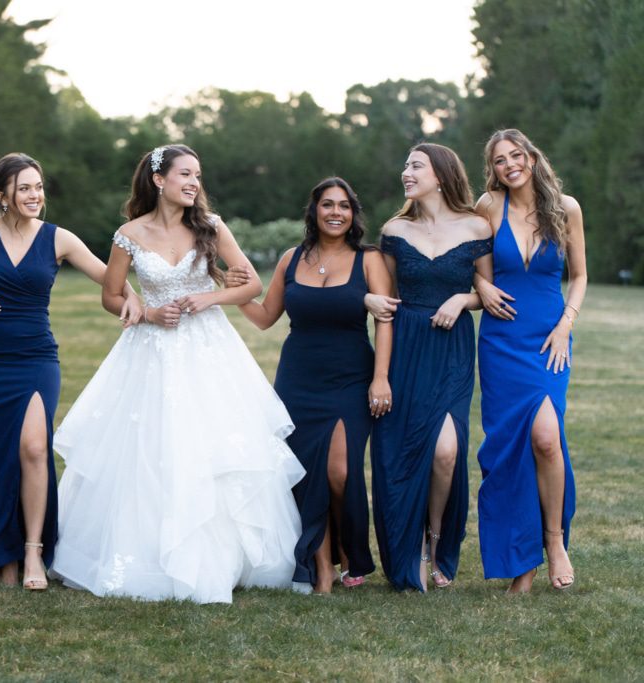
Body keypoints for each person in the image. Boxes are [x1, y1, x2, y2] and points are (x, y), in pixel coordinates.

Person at [48, 144, 305, 604]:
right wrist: (146, 312)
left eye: (198, 176)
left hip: (209, 349)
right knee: (149, 448)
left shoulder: (211, 227)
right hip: (149, 352)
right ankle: (146, 555)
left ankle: (225, 557)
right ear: (159, 179)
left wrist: (208, 298)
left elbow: (250, 283)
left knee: (214, 445)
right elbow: (111, 296)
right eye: (185, 174)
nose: (193, 183)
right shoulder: (129, 233)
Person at [0, 153, 142, 590]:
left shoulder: (58, 238)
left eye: (38, 187)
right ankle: (0, 557)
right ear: (1, 195)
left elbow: (110, 278)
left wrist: (133, 297)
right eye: (24, 188)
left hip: (34, 357)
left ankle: (33, 552)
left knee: (34, 447)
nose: (35, 195)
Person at [238, 177, 392, 595]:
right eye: (327, 205)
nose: (336, 212)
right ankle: (321, 566)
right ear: (315, 211)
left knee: (340, 472)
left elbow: (385, 320)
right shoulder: (292, 259)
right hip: (298, 379)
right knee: (306, 475)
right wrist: (228, 288)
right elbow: (266, 316)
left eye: (344, 205)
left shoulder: (369, 260)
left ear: (353, 213)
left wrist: (380, 378)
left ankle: (347, 547)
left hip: (351, 376)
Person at [368, 142, 493, 592]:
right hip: (406, 346)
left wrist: (463, 298)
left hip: (453, 349)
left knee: (445, 451)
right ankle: (410, 547)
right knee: (402, 453)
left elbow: (488, 293)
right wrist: (380, 374)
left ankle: (434, 539)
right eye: (405, 165)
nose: (406, 172)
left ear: (440, 174)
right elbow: (381, 303)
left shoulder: (477, 226)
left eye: (415, 165)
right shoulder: (395, 230)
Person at [473, 129, 586, 593]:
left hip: (548, 340)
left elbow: (578, 276)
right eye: (500, 160)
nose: (509, 165)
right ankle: (522, 562)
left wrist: (566, 324)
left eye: (516, 155)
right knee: (509, 451)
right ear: (493, 168)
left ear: (533, 159)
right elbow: (478, 273)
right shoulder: (486, 207)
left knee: (545, 439)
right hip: (500, 342)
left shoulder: (567, 207)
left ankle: (554, 541)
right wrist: (480, 287)